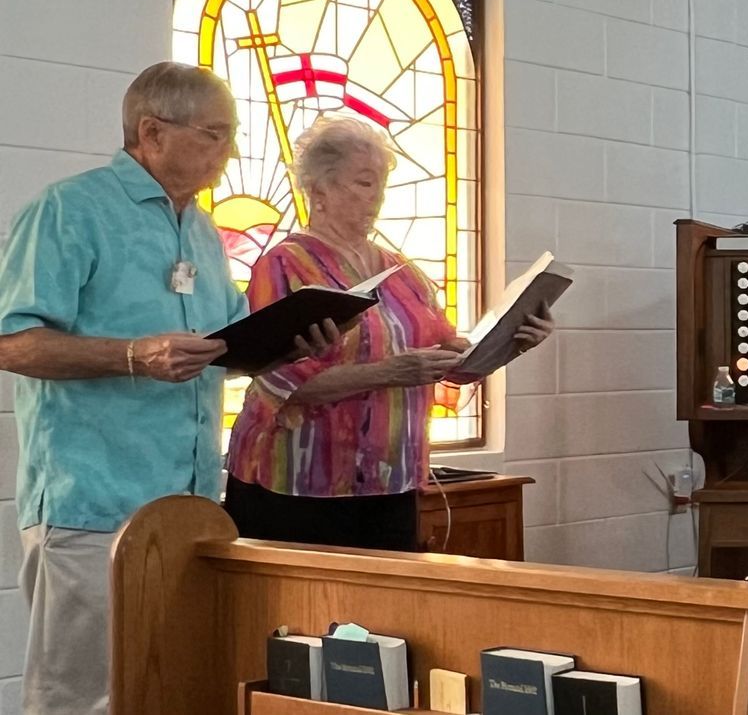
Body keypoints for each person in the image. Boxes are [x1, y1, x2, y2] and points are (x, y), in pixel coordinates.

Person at [0, 62, 336, 715]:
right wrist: (134, 355)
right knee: (84, 699)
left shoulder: (201, 230)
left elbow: (223, 347)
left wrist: (289, 342)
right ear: (152, 132)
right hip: (91, 502)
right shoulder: (69, 210)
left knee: (173, 689)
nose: (229, 150)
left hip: (189, 505)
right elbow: (13, 342)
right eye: (214, 133)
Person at [222, 115, 554, 551]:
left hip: (391, 481)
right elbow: (280, 383)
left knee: (388, 597)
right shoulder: (285, 265)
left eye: (381, 183)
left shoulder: (401, 272)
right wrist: (390, 372)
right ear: (319, 190)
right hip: (300, 484)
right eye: (364, 182)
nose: (377, 196)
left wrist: (510, 341)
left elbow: (451, 364)